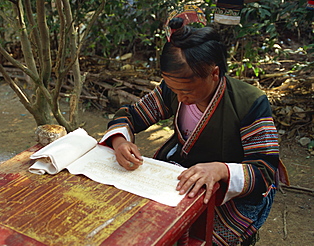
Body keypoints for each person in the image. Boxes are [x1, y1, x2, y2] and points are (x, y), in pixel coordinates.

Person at [99, 13, 289, 246]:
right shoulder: (174, 90)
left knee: (196, 238)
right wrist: (120, 141)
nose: (180, 98)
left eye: (187, 91)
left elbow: (264, 171)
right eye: (174, 89)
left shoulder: (250, 103)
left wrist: (220, 170)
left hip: (231, 194)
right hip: (183, 176)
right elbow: (131, 116)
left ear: (214, 73)